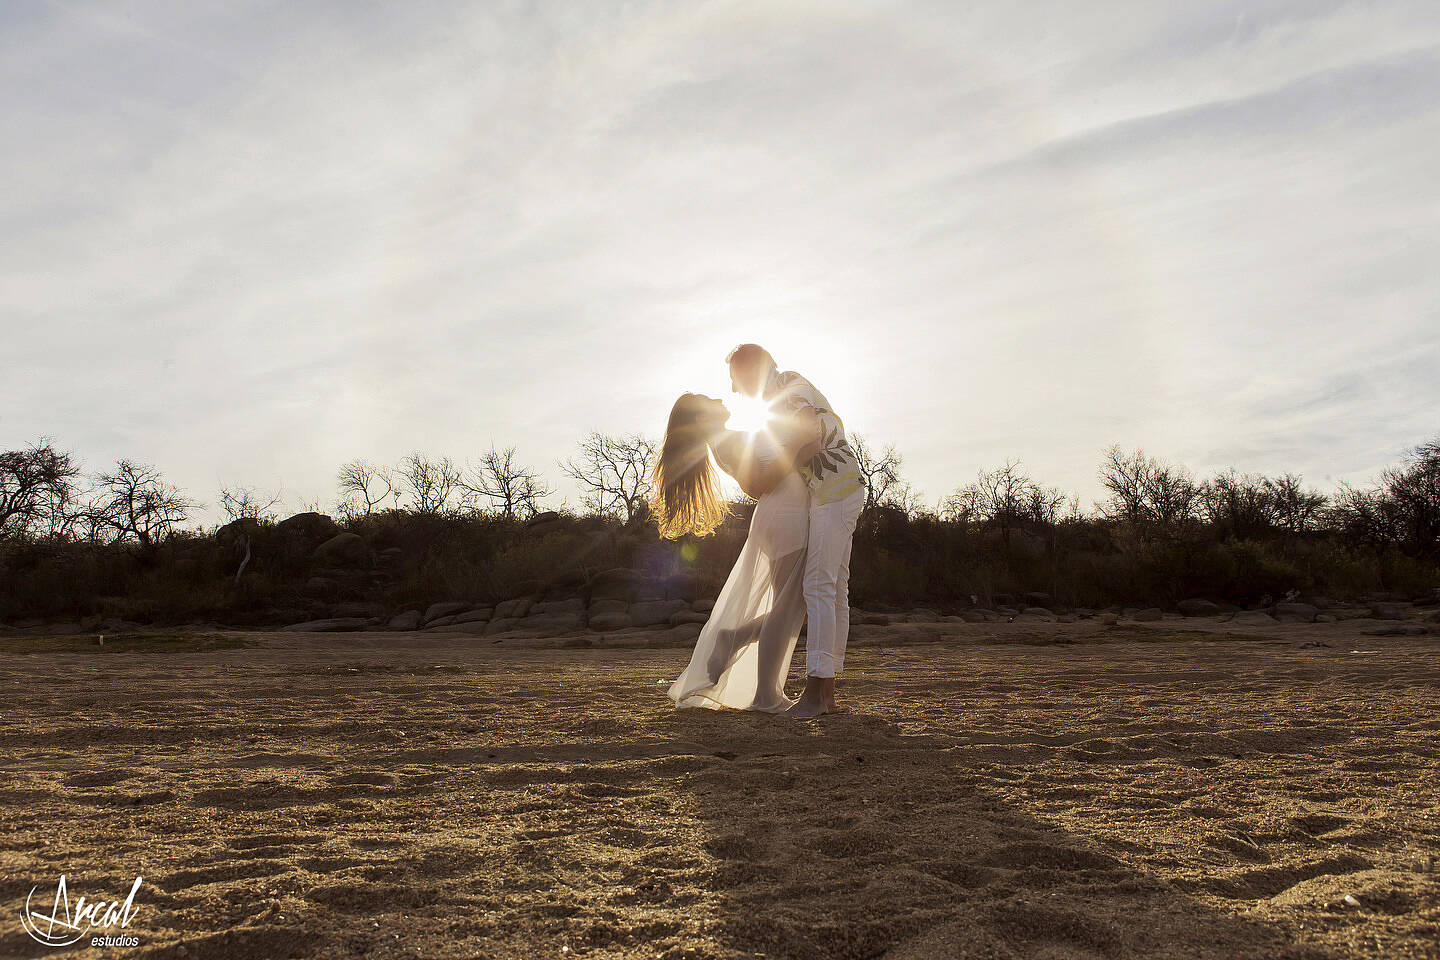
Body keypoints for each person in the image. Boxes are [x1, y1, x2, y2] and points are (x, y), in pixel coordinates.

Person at [651, 393, 816, 713]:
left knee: (796, 607)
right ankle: (765, 695)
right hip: (785, 516)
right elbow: (756, 484)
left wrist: (803, 440)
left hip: (784, 514)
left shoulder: (729, 438)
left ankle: (737, 642)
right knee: (788, 609)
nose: (719, 397)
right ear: (701, 418)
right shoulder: (725, 442)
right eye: (708, 399)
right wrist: (795, 443)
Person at [727, 344, 865, 718]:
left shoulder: (789, 387)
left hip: (835, 491)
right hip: (839, 489)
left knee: (818, 586)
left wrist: (779, 463)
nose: (737, 391)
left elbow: (811, 438)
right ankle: (828, 695)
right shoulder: (780, 396)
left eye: (737, 381)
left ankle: (816, 695)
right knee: (835, 590)